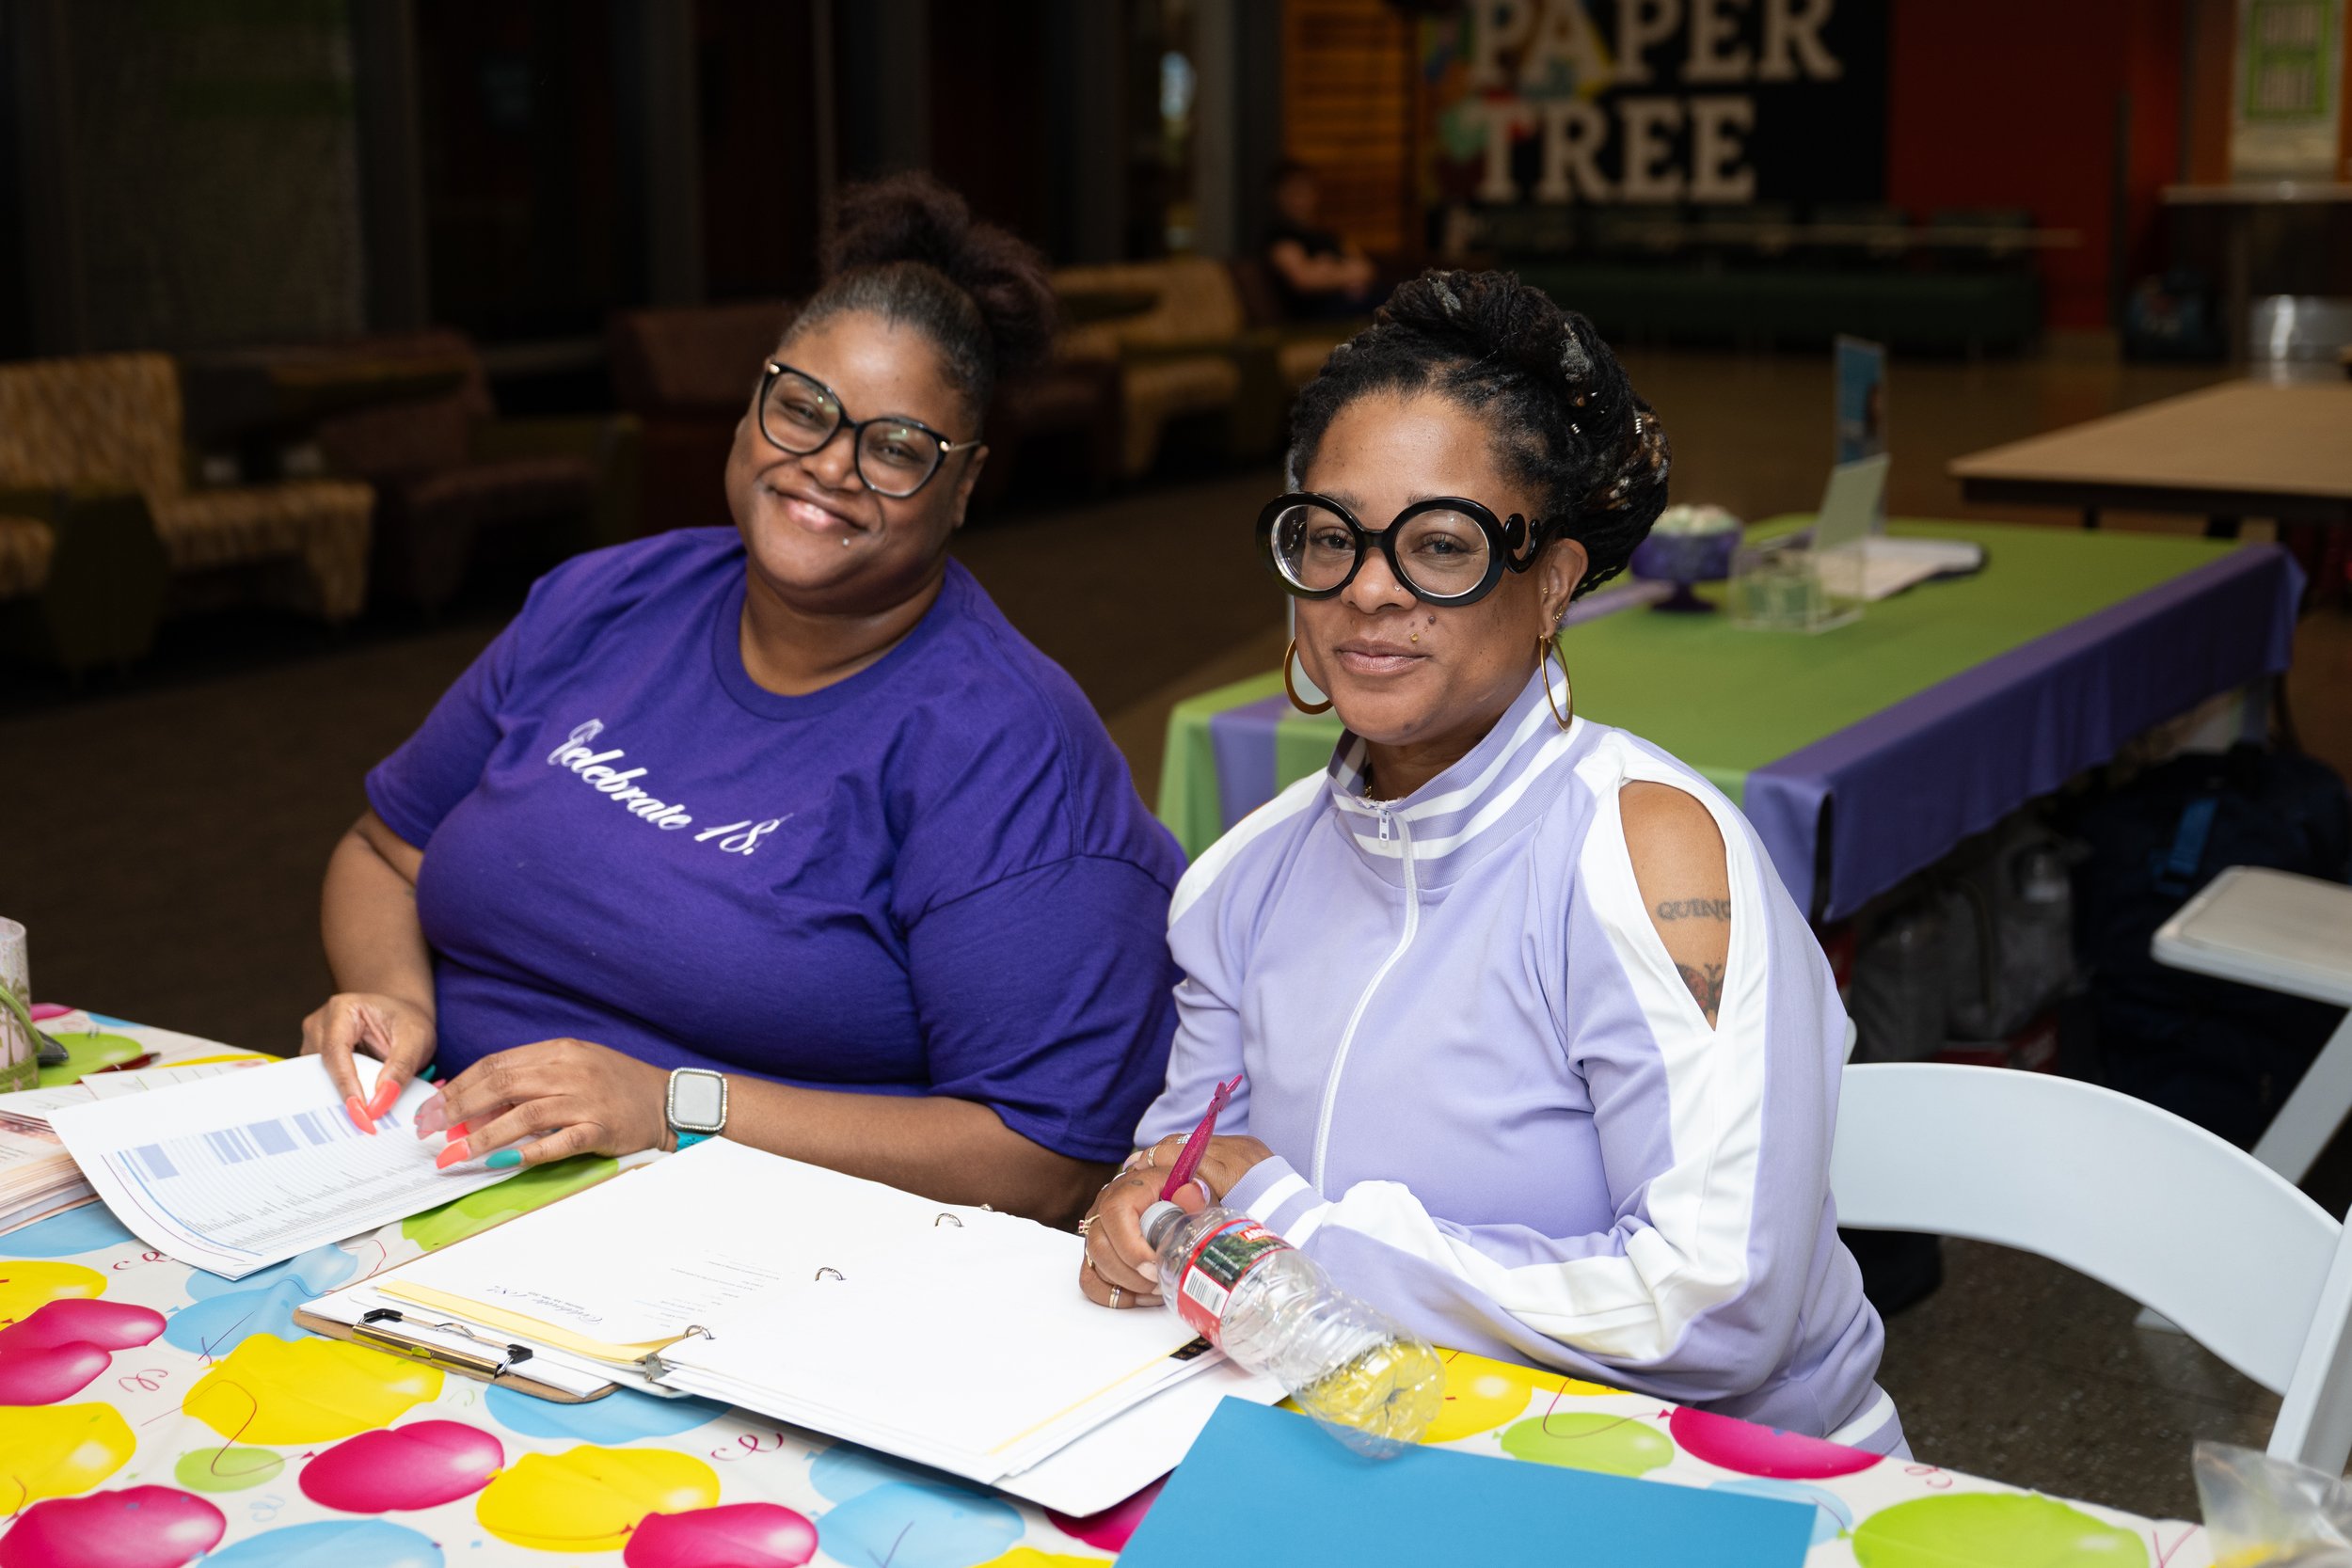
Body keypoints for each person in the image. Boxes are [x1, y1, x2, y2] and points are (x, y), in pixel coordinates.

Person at [1077, 271, 1902, 1451]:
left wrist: (1295, 1230)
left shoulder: (1644, 852)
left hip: (1709, 1477)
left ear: (1553, 581)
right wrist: (1146, 1211)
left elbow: (1721, 1305)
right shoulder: (1242, 880)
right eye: (1329, 536)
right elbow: (1189, 1178)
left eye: (1440, 545)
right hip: (1358, 1441)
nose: (1367, 587)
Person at [301, 175, 1183, 1227]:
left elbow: (1043, 1154)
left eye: (897, 447)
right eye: (802, 407)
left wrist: (671, 1105)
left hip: (745, 1249)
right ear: (754, 400)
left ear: (964, 483)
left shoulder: (1004, 745)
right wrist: (397, 997)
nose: (828, 465)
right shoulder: (601, 600)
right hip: (430, 1168)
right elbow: (381, 850)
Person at [1263, 160, 1381, 321]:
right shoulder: (1281, 237)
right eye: (1293, 192)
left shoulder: (1327, 235)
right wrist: (1346, 275)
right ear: (1278, 196)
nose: (1300, 199)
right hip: (1317, 314)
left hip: (1355, 303)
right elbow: (1303, 280)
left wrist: (1327, 270)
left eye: (1305, 190)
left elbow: (1366, 269)